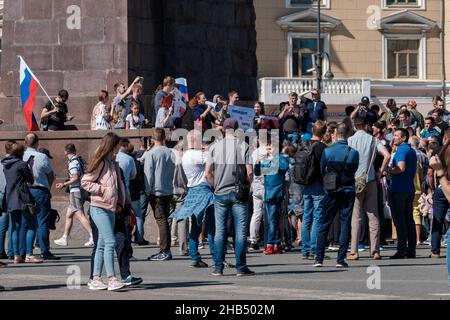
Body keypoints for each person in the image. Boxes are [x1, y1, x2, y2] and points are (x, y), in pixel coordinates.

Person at [205, 118, 255, 276]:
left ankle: (218, 267)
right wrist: (248, 186)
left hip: (219, 192)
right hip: (239, 192)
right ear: (237, 129)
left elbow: (208, 173)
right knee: (240, 232)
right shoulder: (243, 146)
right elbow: (250, 172)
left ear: (223, 129)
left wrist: (215, 185)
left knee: (220, 231)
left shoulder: (214, 147)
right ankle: (241, 267)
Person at [81, 132, 126, 291]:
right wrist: (103, 190)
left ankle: (96, 278)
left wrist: (119, 202)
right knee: (110, 242)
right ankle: (112, 278)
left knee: (101, 244)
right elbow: (85, 182)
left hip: (111, 207)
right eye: (117, 145)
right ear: (111, 146)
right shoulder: (101, 162)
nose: (119, 148)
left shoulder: (112, 163)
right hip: (99, 207)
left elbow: (117, 185)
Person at [314, 123, 359, 268]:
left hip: (332, 190)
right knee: (345, 223)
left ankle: (319, 258)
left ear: (336, 134)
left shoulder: (328, 151)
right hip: (348, 189)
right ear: (347, 135)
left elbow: (322, 170)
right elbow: (355, 170)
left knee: (324, 222)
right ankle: (340, 259)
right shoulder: (354, 152)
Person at [347, 117, 391, 261]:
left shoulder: (350, 141)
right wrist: (380, 172)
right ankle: (375, 250)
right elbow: (387, 155)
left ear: (355, 126)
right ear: (366, 126)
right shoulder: (373, 140)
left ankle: (354, 250)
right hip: (370, 179)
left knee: (356, 217)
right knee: (373, 216)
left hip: (355, 180)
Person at [170, 130, 216, 267]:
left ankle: (195, 256)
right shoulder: (197, 155)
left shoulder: (185, 155)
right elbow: (213, 159)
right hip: (203, 190)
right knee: (211, 225)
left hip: (192, 189)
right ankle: (216, 257)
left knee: (195, 226)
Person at [2, 142, 42, 264]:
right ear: (21, 153)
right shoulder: (22, 164)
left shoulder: (5, 164)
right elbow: (30, 180)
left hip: (9, 198)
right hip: (22, 197)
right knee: (31, 225)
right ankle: (29, 253)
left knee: (14, 227)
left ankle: (16, 255)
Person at [141, 128, 176, 261]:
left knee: (161, 220)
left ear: (152, 138)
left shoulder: (152, 153)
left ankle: (164, 250)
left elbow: (148, 173)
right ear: (164, 138)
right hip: (168, 189)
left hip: (156, 191)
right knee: (165, 219)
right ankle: (165, 249)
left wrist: (147, 190)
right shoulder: (170, 152)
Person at [23, 134, 58, 260]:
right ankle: (44, 250)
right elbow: (50, 175)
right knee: (42, 221)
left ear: (25, 142)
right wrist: (47, 187)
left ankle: (22, 252)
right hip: (40, 189)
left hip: (25, 191)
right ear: (37, 143)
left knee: (25, 222)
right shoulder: (42, 156)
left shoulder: (21, 156)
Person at [54, 144, 93, 247]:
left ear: (65, 152)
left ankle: (92, 235)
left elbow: (75, 178)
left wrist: (63, 184)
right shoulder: (80, 160)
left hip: (75, 191)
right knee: (69, 214)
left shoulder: (72, 163)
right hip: (81, 189)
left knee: (79, 214)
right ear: (75, 150)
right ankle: (65, 237)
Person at [388, 129, 417, 259]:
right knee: (409, 220)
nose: (394, 138)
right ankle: (411, 249)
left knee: (400, 221)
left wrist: (389, 171)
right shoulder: (411, 150)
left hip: (398, 189)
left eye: (396, 135)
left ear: (403, 138)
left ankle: (401, 250)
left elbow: (400, 167)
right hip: (409, 188)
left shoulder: (402, 150)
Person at [300, 120, 327, 260]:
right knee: (317, 217)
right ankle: (314, 248)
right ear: (323, 133)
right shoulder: (322, 147)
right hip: (318, 183)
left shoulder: (303, 144)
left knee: (306, 216)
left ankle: (305, 249)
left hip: (305, 183)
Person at [429, 127, 450, 258]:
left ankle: (435, 250)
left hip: (441, 187)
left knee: (438, 219)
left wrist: (431, 189)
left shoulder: (439, 151)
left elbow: (430, 173)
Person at [409, 136, 429, 247]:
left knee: (408, 213)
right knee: (417, 213)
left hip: (407, 188)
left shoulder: (407, 157)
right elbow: (424, 174)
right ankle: (418, 239)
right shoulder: (424, 156)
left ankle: (409, 238)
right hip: (419, 187)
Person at [130, 138, 150, 245]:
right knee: (140, 214)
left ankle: (131, 235)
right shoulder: (149, 155)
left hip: (133, 188)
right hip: (143, 188)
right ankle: (139, 237)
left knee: (131, 213)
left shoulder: (133, 155)